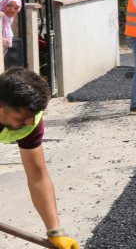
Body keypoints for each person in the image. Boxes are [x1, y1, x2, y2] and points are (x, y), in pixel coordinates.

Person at [0, 68, 80, 249]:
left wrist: (55, 231)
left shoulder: (30, 122)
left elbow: (37, 175)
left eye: (33, 116)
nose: (29, 122)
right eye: (22, 117)